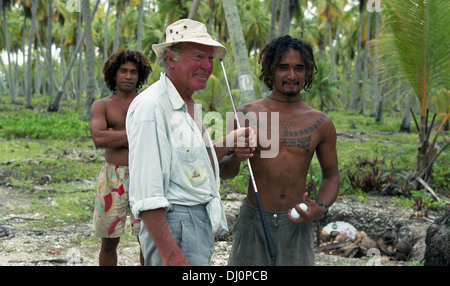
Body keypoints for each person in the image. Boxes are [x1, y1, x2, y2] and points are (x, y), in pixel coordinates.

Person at [126, 19, 255, 266]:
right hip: (176, 225)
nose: (207, 66)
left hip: (196, 223)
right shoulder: (152, 107)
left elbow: (191, 166)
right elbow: (148, 192)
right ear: (171, 59)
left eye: (210, 58)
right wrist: (171, 254)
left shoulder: (190, 106)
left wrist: (230, 148)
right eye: (198, 56)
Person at [221, 35, 340, 266]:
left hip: (296, 222)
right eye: (283, 68)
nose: (292, 76)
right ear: (270, 71)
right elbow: (225, 172)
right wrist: (236, 156)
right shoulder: (244, 114)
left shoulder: (320, 122)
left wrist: (321, 208)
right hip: (253, 219)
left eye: (299, 68)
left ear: (307, 72)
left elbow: (331, 176)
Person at [90, 49, 152, 266]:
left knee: (147, 239)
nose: (128, 76)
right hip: (112, 176)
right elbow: (98, 137)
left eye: (133, 72)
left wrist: (114, 136)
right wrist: (136, 133)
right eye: (123, 71)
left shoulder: (147, 103)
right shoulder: (102, 105)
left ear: (140, 75)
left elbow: (155, 136)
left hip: (143, 173)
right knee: (108, 241)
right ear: (113, 74)